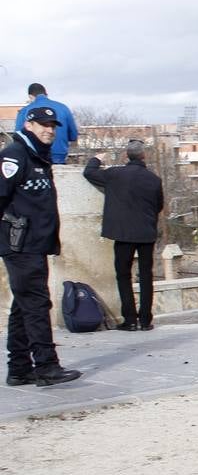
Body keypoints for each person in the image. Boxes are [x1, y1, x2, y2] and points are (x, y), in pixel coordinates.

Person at [1, 107, 80, 386]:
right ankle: (47, 366)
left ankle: (19, 368)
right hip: (20, 245)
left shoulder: (38, 156)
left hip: (35, 244)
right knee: (36, 304)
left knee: (24, 307)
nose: (50, 130)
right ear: (29, 125)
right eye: (43, 125)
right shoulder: (14, 155)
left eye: (53, 125)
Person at [82, 140, 165, 330]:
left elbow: (89, 173)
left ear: (126, 156)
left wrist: (96, 159)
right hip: (146, 234)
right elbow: (158, 206)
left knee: (123, 275)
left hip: (123, 233)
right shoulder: (154, 179)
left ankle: (130, 320)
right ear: (144, 156)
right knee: (146, 276)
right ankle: (145, 320)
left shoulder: (115, 175)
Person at [14, 83, 78, 165]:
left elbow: (19, 138)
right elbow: (73, 136)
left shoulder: (25, 111)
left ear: (30, 96)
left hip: (34, 159)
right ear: (46, 94)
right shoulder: (63, 108)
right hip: (59, 159)